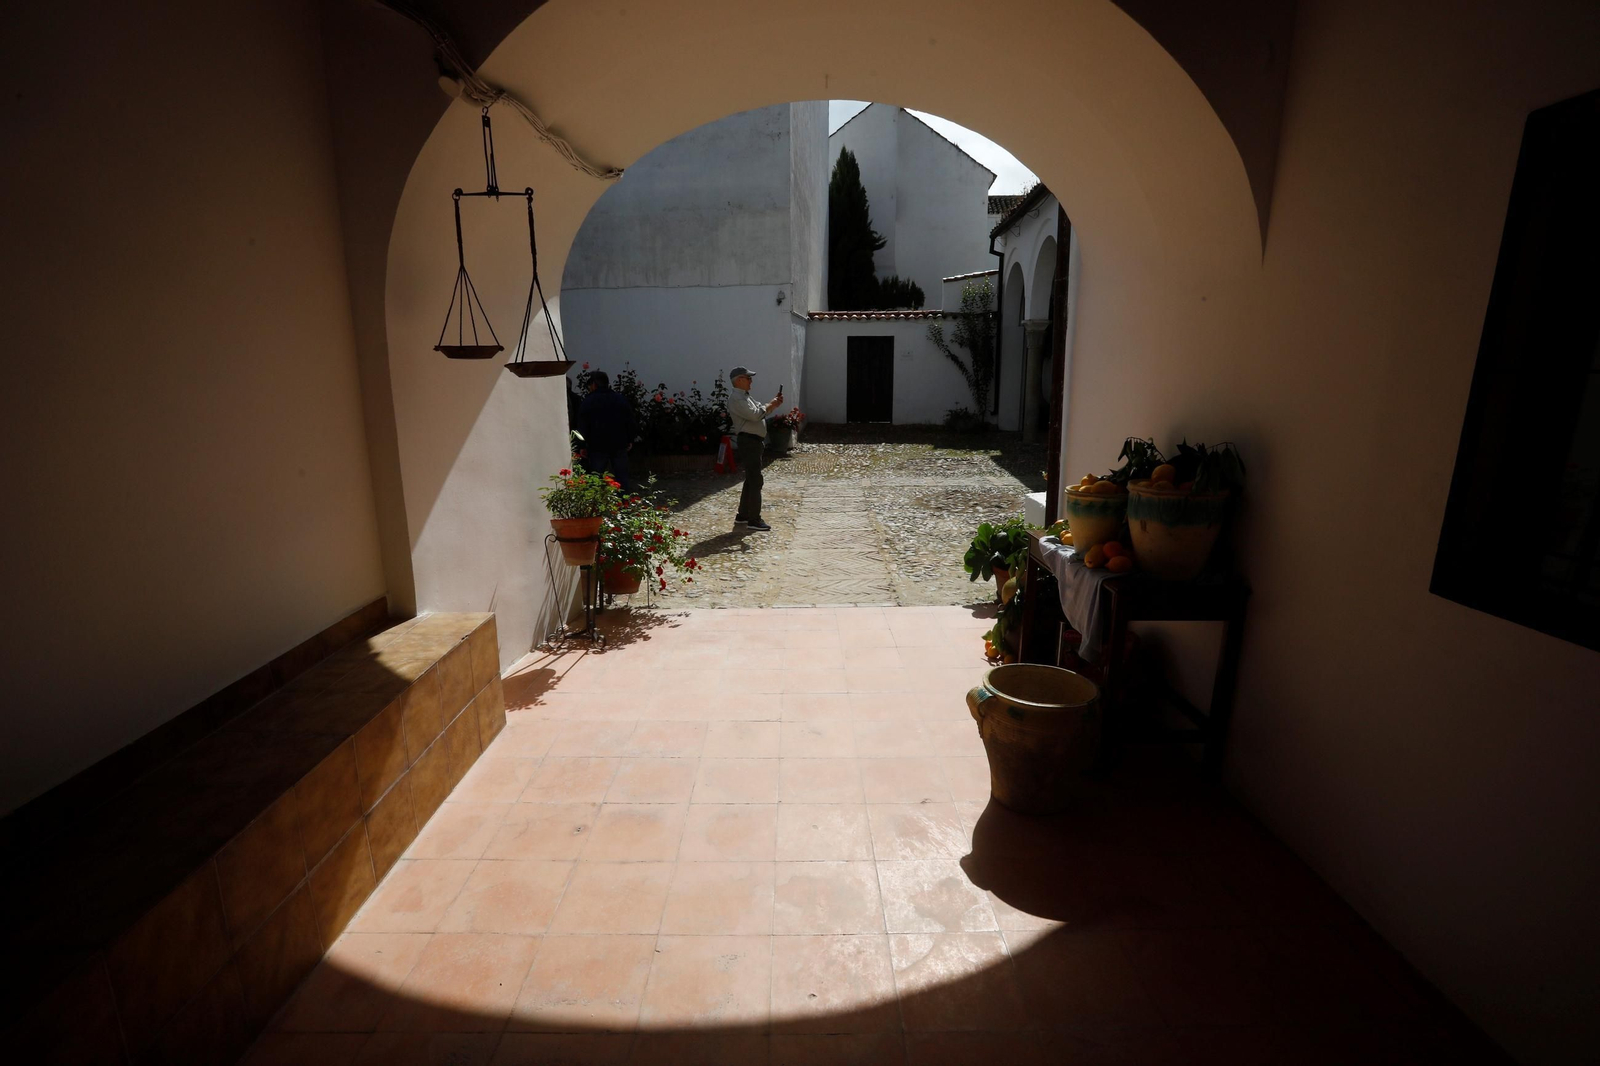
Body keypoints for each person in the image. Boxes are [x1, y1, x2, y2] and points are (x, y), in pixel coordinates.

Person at [725, 364, 783, 531]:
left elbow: (759, 411)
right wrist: (771, 404)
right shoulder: (737, 399)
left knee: (751, 479)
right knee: (755, 480)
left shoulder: (744, 396)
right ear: (739, 380)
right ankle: (754, 519)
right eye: (748, 378)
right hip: (749, 441)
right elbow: (756, 414)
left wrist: (772, 405)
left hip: (753, 441)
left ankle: (743, 515)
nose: (751, 381)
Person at [576, 370, 636, 491]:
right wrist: (630, 438)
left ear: (594, 384)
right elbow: (630, 420)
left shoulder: (588, 401)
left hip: (597, 445)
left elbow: (582, 425)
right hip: (619, 443)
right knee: (622, 477)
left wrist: (581, 445)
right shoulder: (620, 399)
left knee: (596, 477)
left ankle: (596, 500)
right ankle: (624, 499)